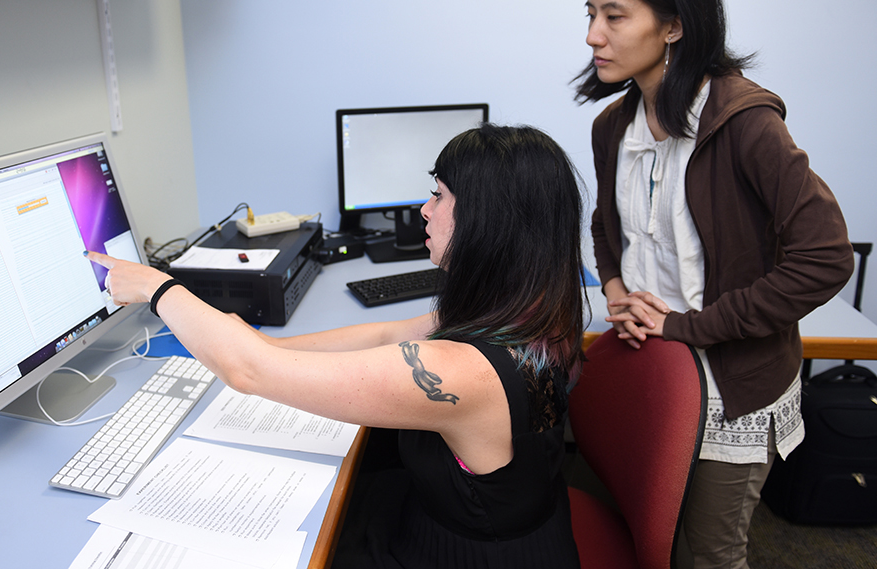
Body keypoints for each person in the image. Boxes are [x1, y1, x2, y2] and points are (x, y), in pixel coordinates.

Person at [90, 123, 586, 569]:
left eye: (438, 196)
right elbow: (387, 334)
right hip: (507, 519)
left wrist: (158, 289)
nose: (424, 210)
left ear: (487, 222)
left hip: (469, 553)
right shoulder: (531, 307)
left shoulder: (465, 373)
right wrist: (267, 345)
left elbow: (248, 373)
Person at [573, 0, 854, 569]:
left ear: (673, 25)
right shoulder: (612, 126)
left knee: (708, 555)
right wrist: (617, 291)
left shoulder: (746, 123)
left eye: (615, 16)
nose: (594, 35)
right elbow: (604, 227)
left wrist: (686, 326)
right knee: (650, 532)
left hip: (733, 381)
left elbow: (825, 258)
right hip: (653, 362)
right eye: (591, 14)